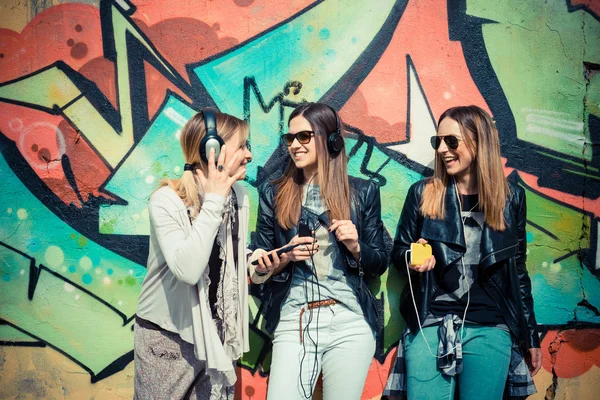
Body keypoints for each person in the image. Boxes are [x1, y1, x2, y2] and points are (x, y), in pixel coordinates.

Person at [383, 105, 542, 400]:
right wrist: (413, 258)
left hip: (490, 326)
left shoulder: (511, 198)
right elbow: (398, 252)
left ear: (479, 141)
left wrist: (530, 337)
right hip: (431, 322)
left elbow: (518, 272)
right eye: (438, 141)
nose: (442, 149)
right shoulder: (423, 193)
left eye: (452, 141)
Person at [248, 102, 388, 400]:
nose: (295, 145)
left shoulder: (363, 192)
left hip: (350, 320)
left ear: (330, 140)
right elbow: (257, 261)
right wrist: (283, 257)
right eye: (290, 138)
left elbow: (380, 263)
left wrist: (356, 246)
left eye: (304, 137)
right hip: (296, 318)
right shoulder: (273, 192)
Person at [134, 108, 253, 399]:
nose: (249, 155)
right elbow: (187, 270)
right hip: (168, 339)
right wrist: (213, 200)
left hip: (217, 335)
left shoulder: (239, 197)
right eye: (242, 146)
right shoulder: (167, 201)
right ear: (213, 151)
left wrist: (256, 264)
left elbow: (226, 258)